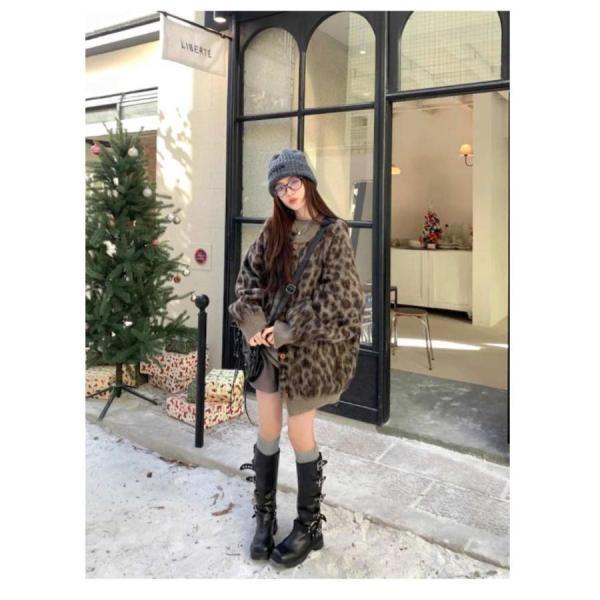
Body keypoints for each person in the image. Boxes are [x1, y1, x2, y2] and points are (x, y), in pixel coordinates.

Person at [228, 148, 365, 569]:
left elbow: (344, 299)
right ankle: (265, 517)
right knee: (268, 429)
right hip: (268, 351)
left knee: (300, 434)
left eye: (293, 182)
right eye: (279, 186)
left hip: (308, 355)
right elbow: (248, 281)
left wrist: (289, 329)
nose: (288, 191)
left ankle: (309, 525)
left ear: (307, 181)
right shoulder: (272, 231)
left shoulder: (333, 233)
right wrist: (255, 325)